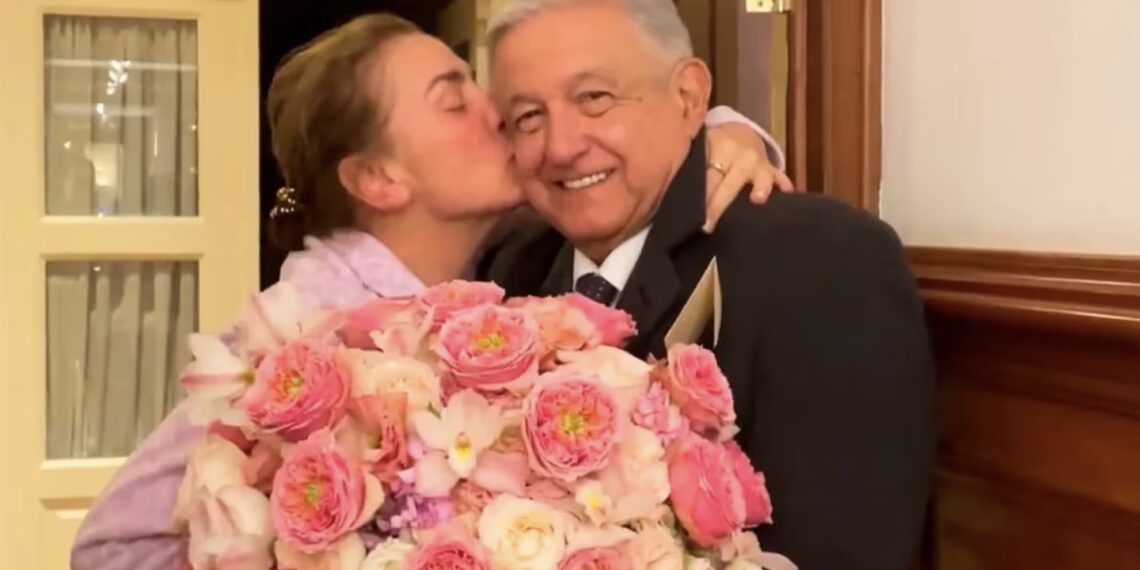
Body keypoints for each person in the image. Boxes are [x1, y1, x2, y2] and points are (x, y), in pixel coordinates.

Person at [69, 12, 790, 570]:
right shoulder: (307, 329)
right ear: (379, 179)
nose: (498, 111)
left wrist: (726, 133)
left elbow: (645, 139)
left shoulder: (508, 259)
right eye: (454, 102)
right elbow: (108, 548)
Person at [483, 1, 937, 569]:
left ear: (689, 96)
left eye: (594, 98)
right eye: (529, 117)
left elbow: (845, 551)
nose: (560, 146)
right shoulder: (512, 273)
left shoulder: (820, 260)